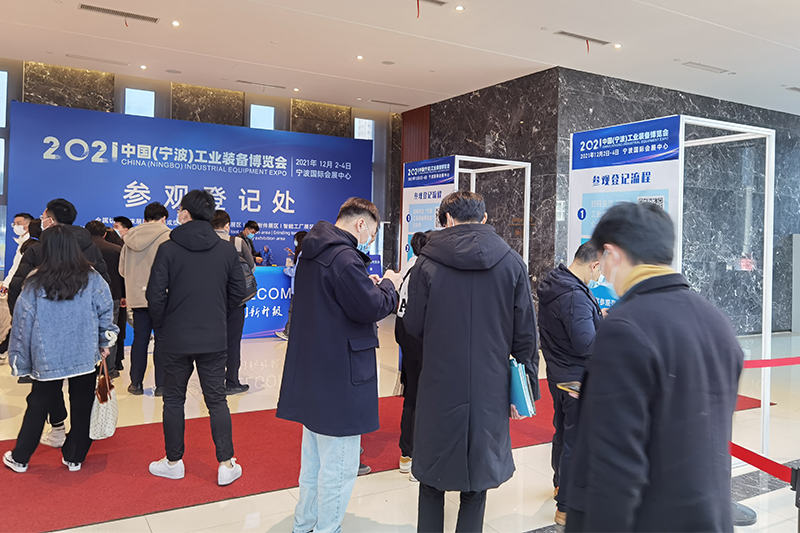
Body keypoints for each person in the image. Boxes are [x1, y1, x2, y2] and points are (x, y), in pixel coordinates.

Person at [565, 202, 744, 532]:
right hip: (710, 518)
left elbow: (614, 464)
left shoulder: (626, 327)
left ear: (612, 254)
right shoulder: (716, 321)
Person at [403, 191, 539, 533]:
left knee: (431, 479)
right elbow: (526, 335)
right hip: (490, 385)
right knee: (476, 482)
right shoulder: (512, 263)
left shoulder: (426, 264)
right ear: (485, 218)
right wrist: (526, 391)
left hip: (439, 383)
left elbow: (413, 326)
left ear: (447, 219)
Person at [276, 198, 401, 533]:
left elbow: (337, 298)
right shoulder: (344, 258)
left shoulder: (312, 251)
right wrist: (390, 284)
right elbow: (372, 307)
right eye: (370, 234)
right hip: (342, 375)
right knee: (339, 466)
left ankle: (304, 524)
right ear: (361, 223)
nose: (369, 241)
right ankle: (327, 528)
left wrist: (364, 284)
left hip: (315, 369)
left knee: (313, 461)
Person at [146, 190, 246, 486]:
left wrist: (163, 326)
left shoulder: (168, 248)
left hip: (175, 337)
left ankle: (173, 462)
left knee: (173, 399)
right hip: (214, 336)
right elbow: (238, 293)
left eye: (180, 209)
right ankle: (226, 463)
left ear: (186, 213)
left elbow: (155, 295)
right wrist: (219, 317)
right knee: (217, 400)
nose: (178, 213)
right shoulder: (225, 249)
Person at [3, 225, 118, 474]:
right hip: (84, 354)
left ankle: (21, 458)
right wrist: (105, 341)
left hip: (47, 357)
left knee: (37, 405)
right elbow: (105, 312)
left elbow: (22, 324)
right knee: (82, 404)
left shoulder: (35, 282)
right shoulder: (92, 278)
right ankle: (75, 458)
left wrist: (19, 360)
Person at [9, 200, 111, 399]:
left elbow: (18, 291)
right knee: (82, 398)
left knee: (46, 395)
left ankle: (58, 418)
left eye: (43, 217)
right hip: (84, 342)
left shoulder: (38, 250)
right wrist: (104, 339)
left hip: (47, 343)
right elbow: (104, 296)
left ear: (51, 220)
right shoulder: (90, 251)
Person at [536, 241, 602, 525]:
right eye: (600, 272)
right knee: (575, 440)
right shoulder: (575, 296)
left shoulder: (556, 282)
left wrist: (596, 319)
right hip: (576, 377)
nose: (599, 277)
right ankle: (566, 506)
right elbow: (586, 343)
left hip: (558, 372)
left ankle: (560, 485)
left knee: (563, 433)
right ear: (593, 265)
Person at [119, 202, 171, 396]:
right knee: (162, 340)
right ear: (163, 218)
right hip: (162, 296)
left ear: (144, 218)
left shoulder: (129, 238)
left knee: (140, 339)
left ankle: (136, 384)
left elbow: (122, 270)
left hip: (137, 297)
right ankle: (162, 386)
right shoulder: (169, 237)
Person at [394, 231, 429, 482]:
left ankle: (407, 454)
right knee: (422, 398)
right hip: (420, 339)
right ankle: (416, 457)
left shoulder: (409, 265)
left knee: (412, 395)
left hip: (405, 335)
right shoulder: (426, 269)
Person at [211, 209, 254, 395]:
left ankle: (213, 381)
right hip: (235, 300)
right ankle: (232, 381)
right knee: (233, 342)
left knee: (212, 342)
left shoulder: (205, 242)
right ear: (227, 225)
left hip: (210, 301)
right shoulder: (237, 242)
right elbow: (251, 266)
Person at [86, 220, 125, 379]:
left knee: (87, 331)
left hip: (85, 297)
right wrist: (124, 295)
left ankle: (88, 366)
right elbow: (123, 275)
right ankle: (109, 368)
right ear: (104, 234)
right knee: (109, 331)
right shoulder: (116, 249)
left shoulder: (78, 250)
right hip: (112, 295)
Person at [276, 230, 307, 341]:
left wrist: (286, 270)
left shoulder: (301, 255)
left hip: (298, 288)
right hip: (304, 288)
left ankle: (288, 333)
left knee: (293, 311)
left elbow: (296, 272)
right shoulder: (307, 253)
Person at [1, 212, 34, 296]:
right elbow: (15, 265)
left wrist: (8, 283)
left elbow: (20, 266)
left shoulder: (31, 243)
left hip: (25, 286)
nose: (16, 226)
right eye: (14, 224)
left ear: (29, 225)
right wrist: (7, 283)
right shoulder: (22, 242)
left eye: (19, 223)